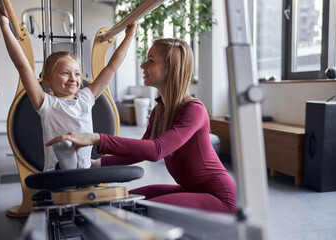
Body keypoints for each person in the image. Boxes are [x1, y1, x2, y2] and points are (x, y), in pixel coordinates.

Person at [46, 38, 236, 214]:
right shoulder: (160, 110)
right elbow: (140, 151)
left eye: (151, 60)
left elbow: (156, 150)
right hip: (190, 190)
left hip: (219, 198)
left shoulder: (194, 110)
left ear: (171, 68)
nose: (143, 65)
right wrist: (96, 164)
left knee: (134, 209)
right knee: (119, 201)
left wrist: (96, 138)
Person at [0, 6, 136, 171]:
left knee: (80, 168)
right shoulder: (46, 104)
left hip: (83, 171)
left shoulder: (86, 98)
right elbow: (23, 67)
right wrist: (4, 25)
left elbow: (111, 67)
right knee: (64, 160)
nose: (73, 79)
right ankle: (65, 158)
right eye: (65, 73)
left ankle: (70, 158)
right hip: (56, 175)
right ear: (47, 79)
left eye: (77, 74)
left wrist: (129, 36)